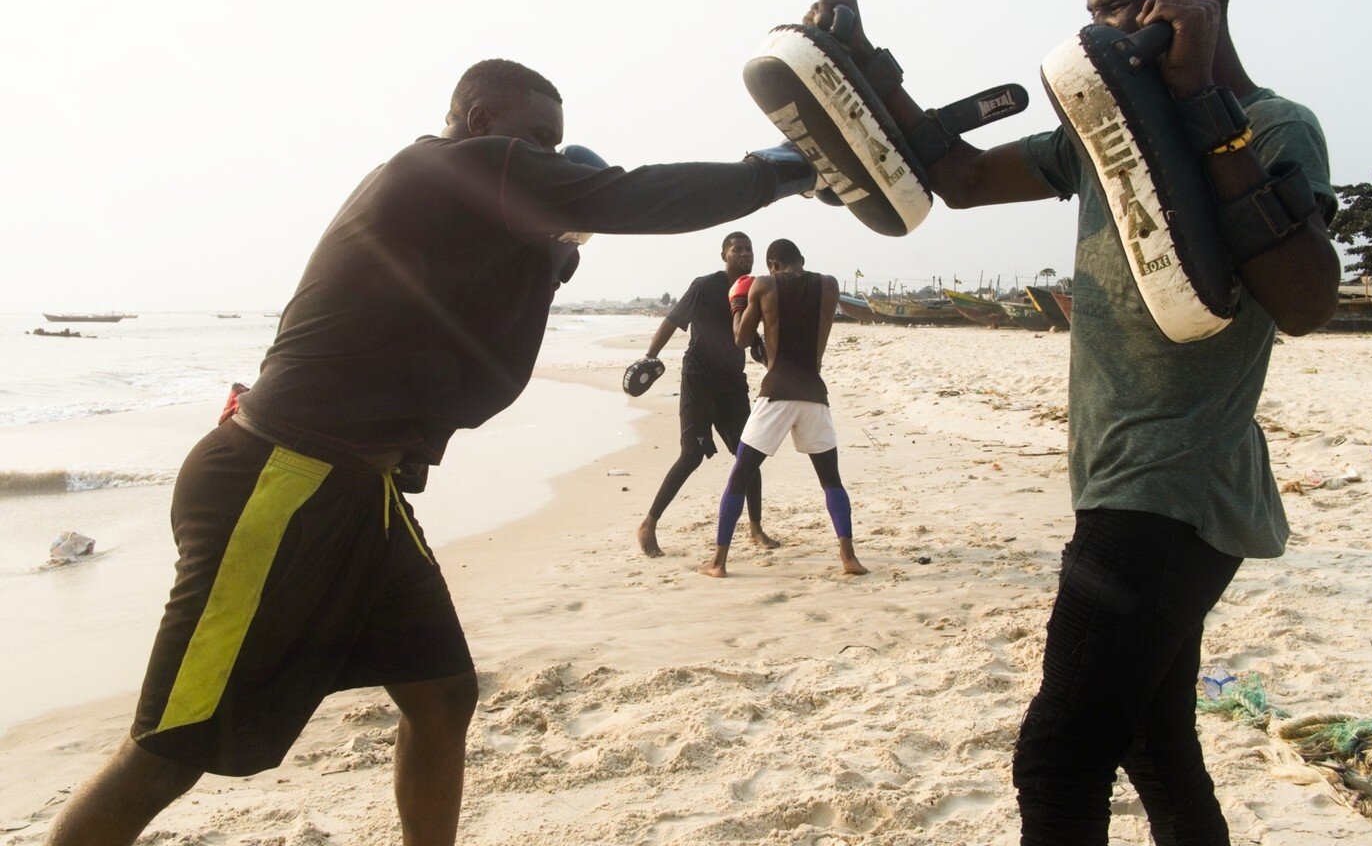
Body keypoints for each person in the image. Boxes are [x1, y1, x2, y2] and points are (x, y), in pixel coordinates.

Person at [43, 59, 817, 846]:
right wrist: (777, 170)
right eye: (537, 140)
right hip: (279, 482)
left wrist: (554, 245)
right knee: (167, 753)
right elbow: (629, 197)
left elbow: (481, 372)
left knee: (444, 697)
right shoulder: (438, 168)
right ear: (481, 124)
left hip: (362, 493)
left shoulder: (465, 221)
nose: (547, 158)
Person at [806, 0, 1339, 845]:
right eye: (1091, 12)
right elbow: (962, 180)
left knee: (1057, 757)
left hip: (1174, 491)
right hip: (1126, 486)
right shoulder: (1110, 138)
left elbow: (1304, 300)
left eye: (1121, 8)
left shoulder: (1273, 126)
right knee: (1154, 740)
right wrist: (869, 72)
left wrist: (1202, 109)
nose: (1099, 32)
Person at [699, 238, 867, 579]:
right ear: (801, 259)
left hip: (776, 392)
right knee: (831, 479)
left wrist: (737, 304)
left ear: (772, 264)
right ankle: (849, 557)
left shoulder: (764, 284)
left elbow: (742, 340)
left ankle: (718, 563)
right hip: (813, 394)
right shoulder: (829, 285)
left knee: (740, 475)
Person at [636, 231, 779, 557]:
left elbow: (752, 339)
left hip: (732, 385)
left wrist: (773, 362)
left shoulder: (752, 290)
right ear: (724, 255)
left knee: (749, 456)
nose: (745, 254)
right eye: (737, 249)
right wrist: (650, 358)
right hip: (699, 381)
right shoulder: (704, 286)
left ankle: (756, 528)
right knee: (692, 454)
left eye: (749, 249)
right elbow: (672, 322)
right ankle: (649, 523)